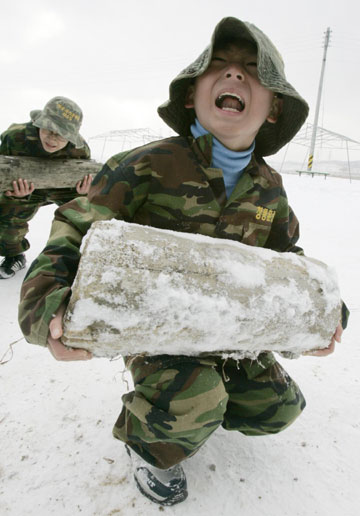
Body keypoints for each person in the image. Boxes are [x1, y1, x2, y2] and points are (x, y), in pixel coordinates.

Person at [18, 17, 348, 506]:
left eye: (251, 71)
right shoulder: (148, 164)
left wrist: (324, 314)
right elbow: (73, 228)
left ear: (274, 107)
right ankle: (150, 440)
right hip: (157, 328)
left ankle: (193, 405)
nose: (233, 75)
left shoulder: (269, 188)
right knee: (196, 399)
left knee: (277, 409)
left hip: (229, 330)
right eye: (218, 66)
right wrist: (46, 309)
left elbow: (287, 259)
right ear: (192, 94)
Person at [0, 96, 92, 279]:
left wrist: (83, 192)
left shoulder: (80, 151)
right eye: (48, 129)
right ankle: (14, 255)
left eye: (61, 134)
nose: (53, 138)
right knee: (5, 219)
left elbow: (84, 178)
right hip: (25, 186)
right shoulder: (15, 137)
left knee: (85, 216)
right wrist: (12, 193)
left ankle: (77, 259)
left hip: (63, 188)